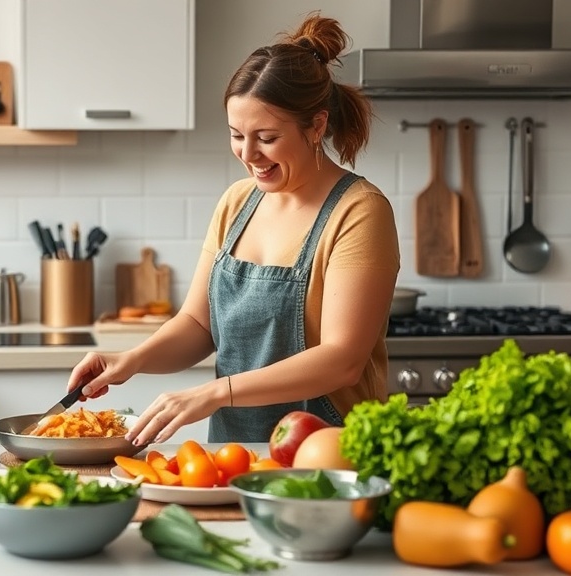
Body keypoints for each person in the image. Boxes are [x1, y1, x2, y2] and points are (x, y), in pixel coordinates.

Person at [66, 13, 400, 445]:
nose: (248, 153)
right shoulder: (237, 202)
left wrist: (215, 393)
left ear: (316, 126)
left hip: (329, 455)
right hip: (234, 452)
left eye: (266, 137)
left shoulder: (359, 212)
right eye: (237, 135)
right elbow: (197, 325)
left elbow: (342, 361)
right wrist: (131, 360)